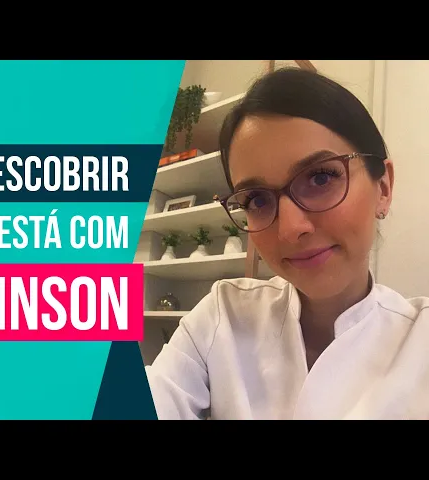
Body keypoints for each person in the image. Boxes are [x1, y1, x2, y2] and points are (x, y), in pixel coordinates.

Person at [145, 67, 429, 420]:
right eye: (257, 199)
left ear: (383, 188)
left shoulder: (421, 342)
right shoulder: (223, 317)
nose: (290, 229)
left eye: (321, 177)